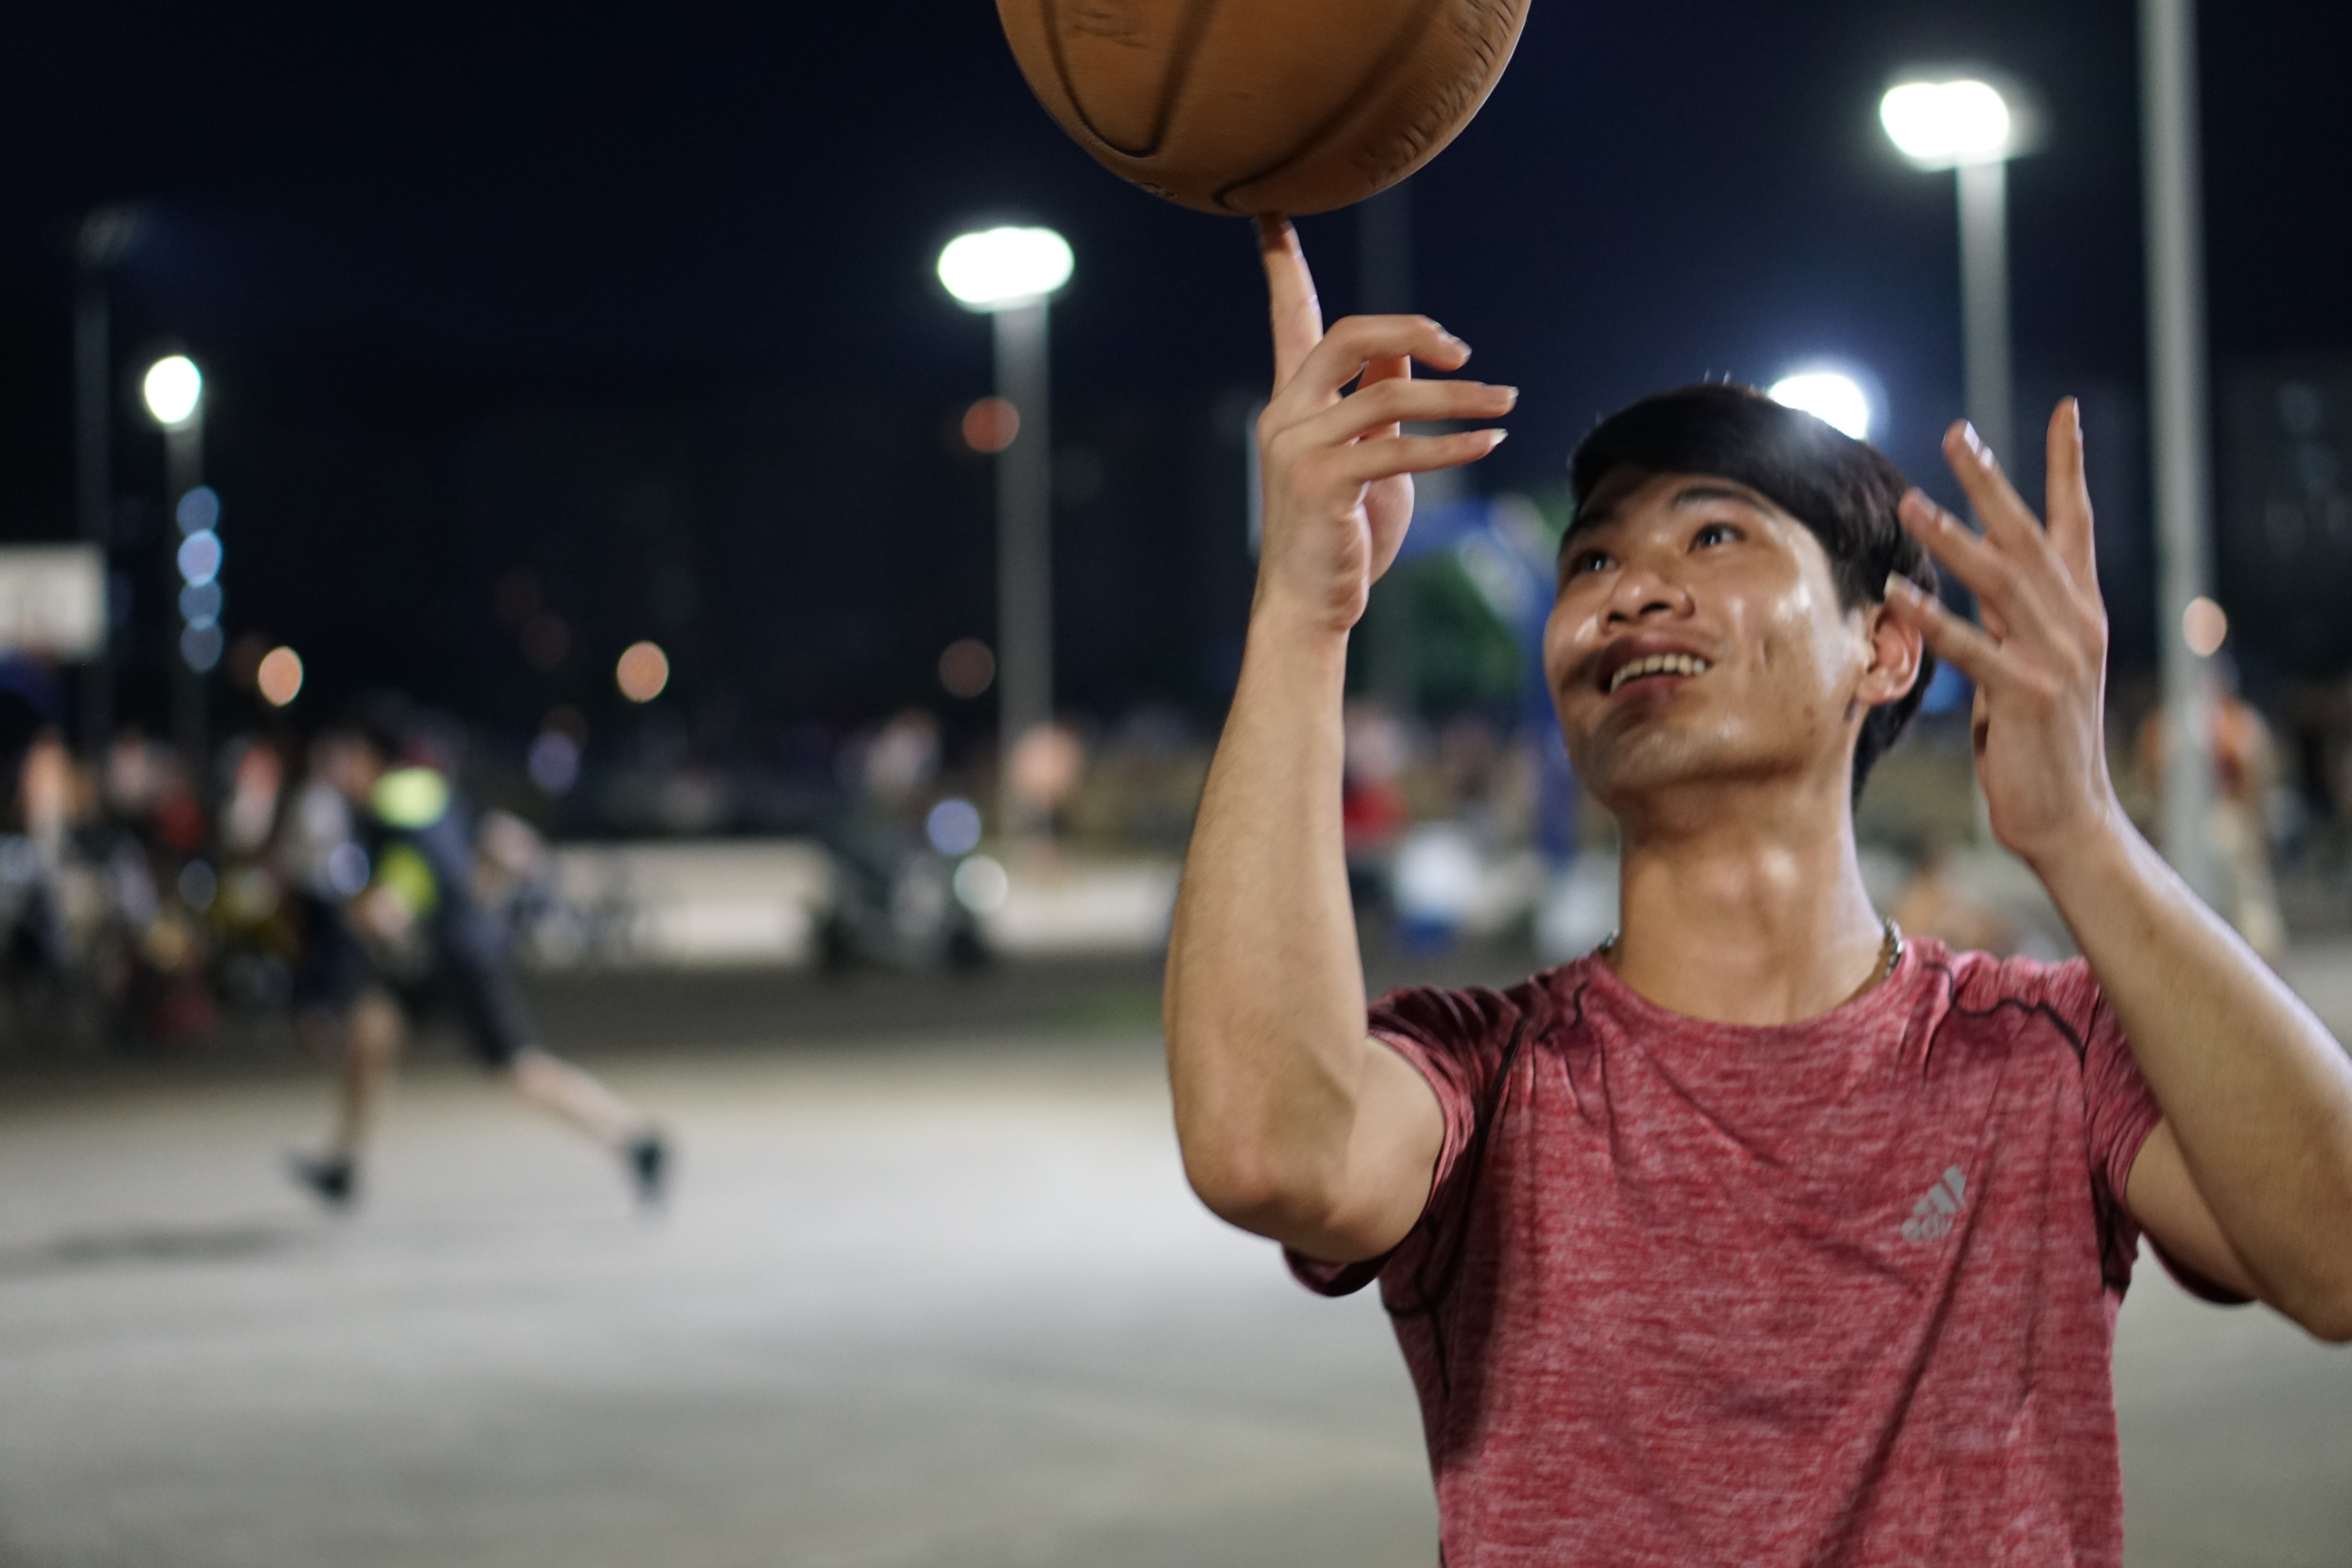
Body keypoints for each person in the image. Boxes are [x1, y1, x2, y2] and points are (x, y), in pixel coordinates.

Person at [1163, 220, 2352, 1566]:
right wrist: (1304, 614)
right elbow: (1270, 1146)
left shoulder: (2046, 1059)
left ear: (1887, 648)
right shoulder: (1491, 1087)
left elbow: (2336, 1248)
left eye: (1716, 534)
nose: (1633, 594)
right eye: (1592, 563)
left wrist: (2081, 834)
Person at [284, 712, 668, 1209]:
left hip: (457, 956)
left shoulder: (387, 809)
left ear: (369, 757)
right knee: (369, 1031)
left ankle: (635, 1139)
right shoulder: (428, 789)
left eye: (346, 757)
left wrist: (377, 909)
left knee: (522, 1071)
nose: (338, 771)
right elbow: (485, 844)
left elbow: (413, 877)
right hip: (439, 953)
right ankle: (345, 1165)